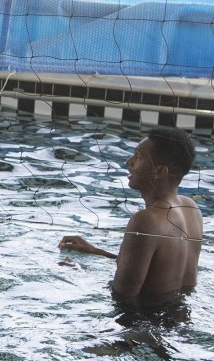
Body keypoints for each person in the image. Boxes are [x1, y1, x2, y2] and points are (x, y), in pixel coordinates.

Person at [59, 126, 202, 305]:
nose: (129, 161)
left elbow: (121, 296)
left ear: (160, 171)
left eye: (138, 156)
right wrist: (96, 252)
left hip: (147, 326)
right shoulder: (191, 208)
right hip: (181, 316)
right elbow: (161, 271)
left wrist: (78, 269)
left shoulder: (146, 220)